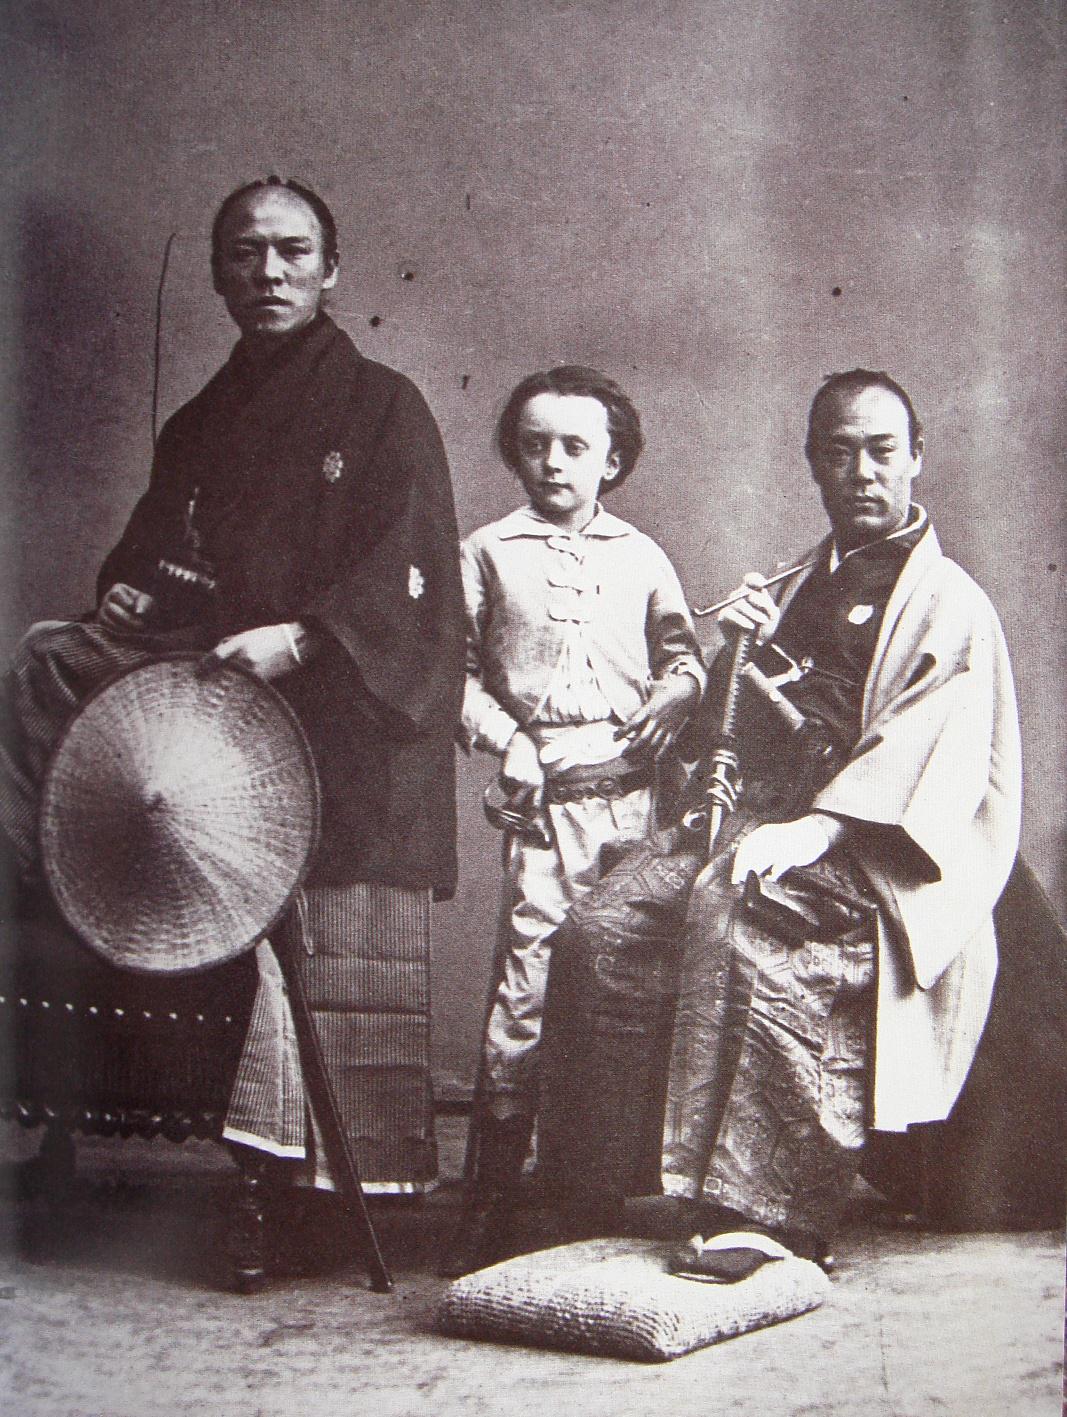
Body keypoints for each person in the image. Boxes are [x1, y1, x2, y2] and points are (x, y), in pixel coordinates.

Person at [0, 178, 465, 1239]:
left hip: (324, 698)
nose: (270, 274)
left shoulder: (383, 406)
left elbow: (415, 578)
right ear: (217, 275)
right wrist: (133, 589)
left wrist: (301, 638)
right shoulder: (200, 418)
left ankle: (282, 1175)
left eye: (292, 252)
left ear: (331, 269)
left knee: (299, 851)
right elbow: (162, 551)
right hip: (207, 671)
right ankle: (47, 868)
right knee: (44, 657)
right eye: (245, 254)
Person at [662, 369, 1021, 1279]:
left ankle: (767, 1210)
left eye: (880, 450)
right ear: (812, 461)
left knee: (752, 913)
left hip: (883, 848)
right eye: (838, 450)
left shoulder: (950, 602)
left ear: (915, 458)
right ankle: (589, 1187)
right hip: (762, 820)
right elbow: (724, 742)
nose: (860, 471)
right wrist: (730, 655)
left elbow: (926, 753)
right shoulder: (793, 584)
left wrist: (816, 830)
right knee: (602, 931)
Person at [441, 365, 706, 1276]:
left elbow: (687, 656)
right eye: (534, 443)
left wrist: (676, 690)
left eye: (575, 446)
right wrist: (505, 737)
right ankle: (491, 1192)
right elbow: (454, 672)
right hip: (548, 802)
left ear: (612, 459)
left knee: (629, 981)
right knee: (529, 984)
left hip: (638, 807)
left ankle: (593, 1185)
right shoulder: (486, 551)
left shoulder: (641, 555)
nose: (552, 462)